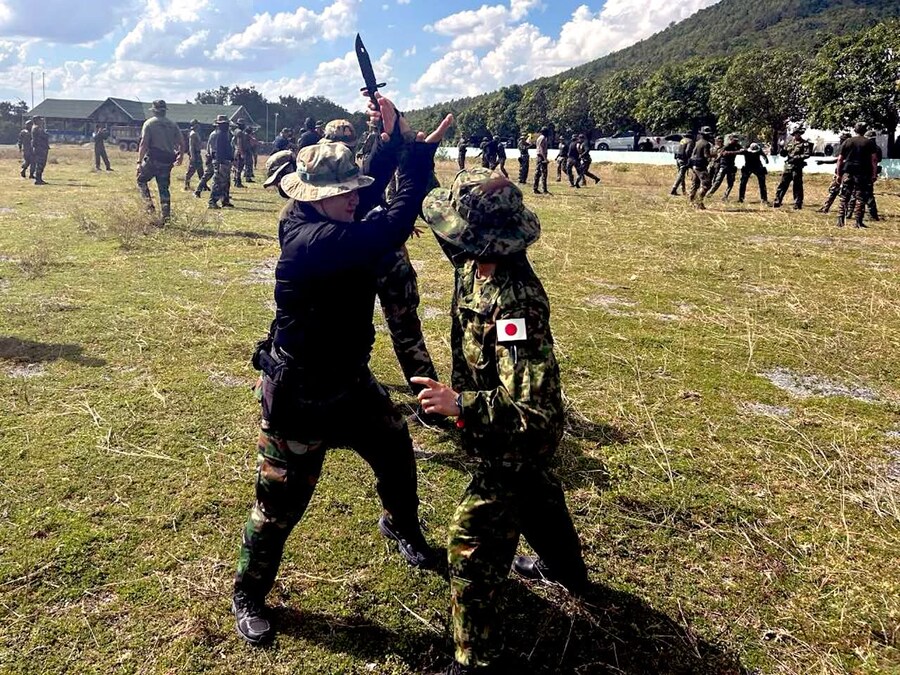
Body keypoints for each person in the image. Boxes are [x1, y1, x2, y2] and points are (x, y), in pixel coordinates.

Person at [231, 95, 452, 646]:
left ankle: (401, 527)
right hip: (300, 395)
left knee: (396, 451)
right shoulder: (311, 240)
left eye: (354, 189)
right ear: (316, 198)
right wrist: (418, 158)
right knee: (279, 505)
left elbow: (369, 191)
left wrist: (393, 140)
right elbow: (390, 223)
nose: (357, 196)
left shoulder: (328, 213)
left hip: (350, 382)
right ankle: (248, 593)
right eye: (345, 191)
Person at [417, 168, 589, 674]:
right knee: (537, 496)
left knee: (470, 544)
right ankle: (568, 572)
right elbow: (436, 213)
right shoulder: (474, 260)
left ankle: (476, 662)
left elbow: (533, 414)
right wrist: (407, 146)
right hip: (499, 437)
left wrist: (460, 404)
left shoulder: (516, 302)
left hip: (514, 440)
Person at [136, 100, 183, 221]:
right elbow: (181, 143)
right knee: (164, 188)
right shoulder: (172, 124)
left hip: (153, 159)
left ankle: (149, 208)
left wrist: (139, 162)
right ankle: (166, 216)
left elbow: (144, 143)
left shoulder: (149, 123)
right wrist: (181, 156)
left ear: (154, 110)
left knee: (141, 180)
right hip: (167, 160)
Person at [835, 121, 878, 228]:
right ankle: (858, 222)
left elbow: (840, 159)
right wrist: (874, 174)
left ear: (855, 130)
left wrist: (838, 174)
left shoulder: (847, 141)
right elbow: (874, 160)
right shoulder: (869, 143)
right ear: (865, 130)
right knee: (860, 197)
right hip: (863, 173)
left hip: (848, 172)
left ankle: (840, 220)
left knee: (844, 196)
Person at [773, 126, 811, 209]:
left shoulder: (804, 143)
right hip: (788, 167)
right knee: (783, 184)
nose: (797, 135)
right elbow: (784, 153)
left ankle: (797, 203)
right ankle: (778, 200)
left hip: (797, 167)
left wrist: (797, 157)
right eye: (795, 134)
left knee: (797, 185)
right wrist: (782, 150)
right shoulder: (789, 142)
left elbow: (807, 154)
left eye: (798, 133)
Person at [816, 132, 851, 213]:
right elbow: (837, 160)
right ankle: (825, 208)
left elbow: (839, 160)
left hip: (846, 174)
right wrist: (824, 162)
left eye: (842, 140)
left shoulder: (851, 150)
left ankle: (845, 211)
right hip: (839, 173)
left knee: (845, 193)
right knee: (833, 191)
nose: (841, 141)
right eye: (841, 139)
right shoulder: (842, 149)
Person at [207, 114, 235, 209]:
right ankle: (212, 201)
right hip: (221, 162)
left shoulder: (225, 134)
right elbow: (218, 150)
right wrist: (220, 162)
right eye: (224, 124)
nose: (227, 126)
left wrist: (231, 159)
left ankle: (225, 200)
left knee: (226, 182)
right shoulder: (219, 134)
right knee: (218, 182)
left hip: (225, 161)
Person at [708, 134, 741, 200]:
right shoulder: (727, 146)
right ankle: (709, 194)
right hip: (724, 165)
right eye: (734, 140)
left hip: (731, 166)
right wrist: (716, 160)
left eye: (736, 140)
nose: (736, 142)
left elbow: (743, 151)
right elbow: (721, 153)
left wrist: (731, 152)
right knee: (718, 181)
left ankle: (725, 196)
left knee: (730, 183)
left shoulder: (737, 145)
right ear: (731, 140)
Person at [688, 126, 713, 209]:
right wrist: (714, 155)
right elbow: (706, 155)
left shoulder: (697, 142)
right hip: (701, 166)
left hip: (694, 165)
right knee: (706, 184)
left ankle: (691, 201)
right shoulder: (706, 144)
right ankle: (699, 203)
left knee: (695, 184)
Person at [184, 119, 204, 191]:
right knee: (191, 169)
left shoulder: (196, 133)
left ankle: (203, 185)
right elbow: (191, 146)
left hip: (197, 153)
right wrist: (192, 156)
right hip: (195, 153)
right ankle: (186, 185)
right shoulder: (193, 134)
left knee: (200, 169)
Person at [30, 117, 50, 185]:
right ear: (37, 120)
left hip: (40, 148)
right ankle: (38, 179)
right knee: (40, 164)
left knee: (41, 164)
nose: (42, 121)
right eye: (40, 120)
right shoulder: (37, 128)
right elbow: (45, 136)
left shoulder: (37, 128)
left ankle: (39, 179)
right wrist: (46, 133)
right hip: (40, 148)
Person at [532, 127, 549, 195]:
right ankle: (544, 189)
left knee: (538, 173)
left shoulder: (539, 138)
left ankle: (535, 188)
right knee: (544, 173)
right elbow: (541, 148)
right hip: (541, 157)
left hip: (539, 157)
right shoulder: (543, 138)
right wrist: (545, 159)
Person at [231, 119, 248, 188]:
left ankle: (236, 181)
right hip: (239, 152)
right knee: (239, 167)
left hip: (236, 151)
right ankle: (238, 182)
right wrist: (241, 153)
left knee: (236, 167)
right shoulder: (240, 132)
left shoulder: (236, 131)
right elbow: (239, 143)